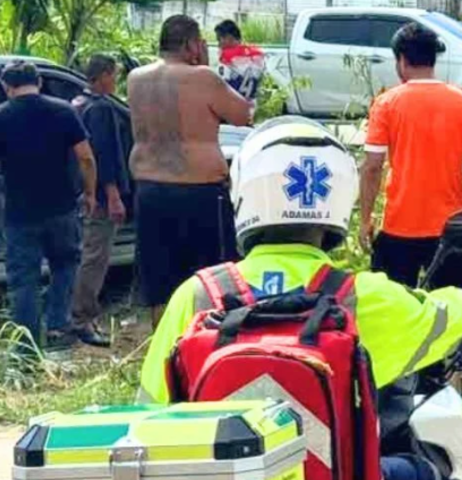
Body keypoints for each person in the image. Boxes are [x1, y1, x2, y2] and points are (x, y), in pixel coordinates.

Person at [140, 117, 462, 480]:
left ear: (243, 192)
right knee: (426, 466)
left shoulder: (198, 294)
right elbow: (451, 314)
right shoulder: (364, 296)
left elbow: (150, 410)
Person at [0, 61, 98, 351]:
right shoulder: (64, 111)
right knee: (65, 265)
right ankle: (57, 327)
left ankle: (26, 349)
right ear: (39, 81)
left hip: (20, 214)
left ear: (7, 87)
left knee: (24, 279)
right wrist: (90, 193)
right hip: (62, 208)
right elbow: (86, 158)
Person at [127, 14, 251, 329]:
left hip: (150, 189)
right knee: (212, 278)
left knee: (159, 280)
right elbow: (242, 114)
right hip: (199, 192)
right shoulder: (203, 78)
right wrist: (205, 65)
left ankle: (164, 341)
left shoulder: (136, 78)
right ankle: (208, 341)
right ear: (191, 45)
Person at [362, 22, 462, 288]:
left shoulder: (387, 103)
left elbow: (372, 167)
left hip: (399, 226)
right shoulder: (459, 101)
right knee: (451, 305)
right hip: (451, 228)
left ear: (402, 60)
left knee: (394, 302)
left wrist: (365, 219)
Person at [69, 54, 131, 348]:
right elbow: (103, 156)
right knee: (96, 257)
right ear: (104, 75)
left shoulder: (77, 104)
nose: (115, 81)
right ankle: (82, 317)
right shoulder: (102, 108)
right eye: (114, 75)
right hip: (101, 196)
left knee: (85, 255)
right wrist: (113, 195)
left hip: (81, 192)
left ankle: (75, 312)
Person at [214, 19, 265, 107]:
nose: (218, 44)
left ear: (229, 37)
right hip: (251, 105)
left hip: (231, 104)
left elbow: (220, 86)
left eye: (219, 39)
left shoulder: (226, 59)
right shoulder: (256, 56)